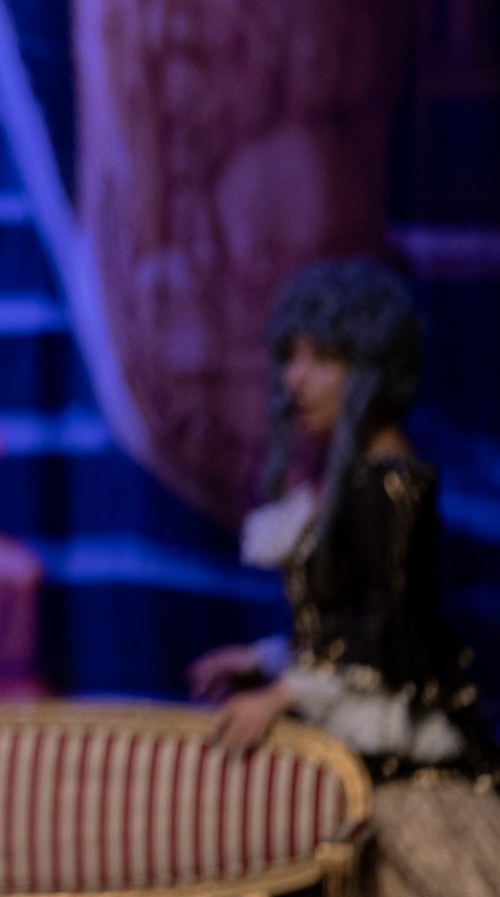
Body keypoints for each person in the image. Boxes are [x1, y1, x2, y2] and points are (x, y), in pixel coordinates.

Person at [189, 259, 500, 896]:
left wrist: (281, 694)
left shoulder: (392, 482)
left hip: (403, 770)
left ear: (372, 370)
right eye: (292, 356)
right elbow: (345, 622)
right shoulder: (352, 480)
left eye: (323, 360)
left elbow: (389, 635)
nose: (295, 378)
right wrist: (266, 658)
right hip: (352, 755)